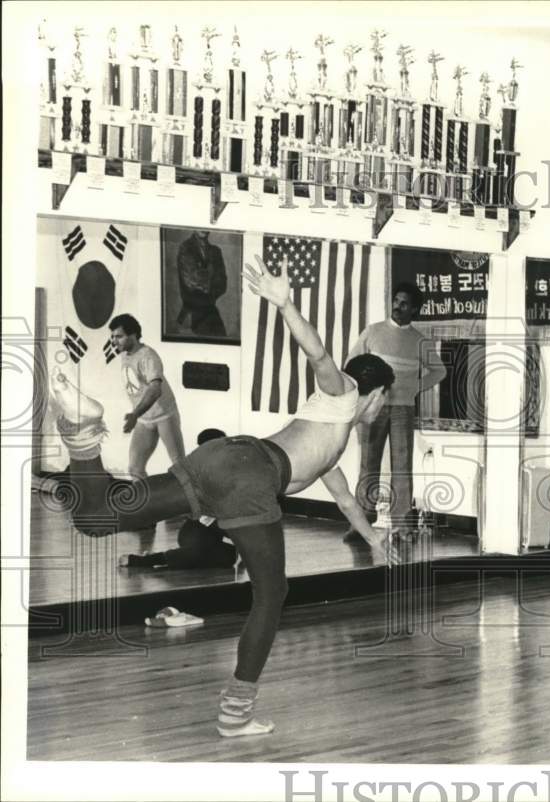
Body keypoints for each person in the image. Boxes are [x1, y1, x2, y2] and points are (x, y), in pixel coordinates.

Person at [49, 256, 397, 738]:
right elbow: (318, 356)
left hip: (223, 457)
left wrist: (374, 541)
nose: (381, 411)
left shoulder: (329, 440)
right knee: (272, 593)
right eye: (384, 401)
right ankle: (236, 712)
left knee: (95, 520)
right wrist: (286, 304)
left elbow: (343, 501)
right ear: (375, 393)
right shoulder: (344, 394)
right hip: (250, 473)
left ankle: (81, 432)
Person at [349, 282, 446, 536]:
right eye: (395, 301)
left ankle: (403, 526)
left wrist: (415, 387)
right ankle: (361, 524)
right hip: (373, 408)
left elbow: (439, 371)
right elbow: (350, 365)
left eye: (404, 304)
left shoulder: (419, 340)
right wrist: (365, 391)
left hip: (403, 409)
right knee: (368, 465)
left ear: (414, 309)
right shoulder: (372, 332)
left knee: (402, 466)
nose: (397, 306)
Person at [119, 428, 238, 571]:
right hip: (197, 529)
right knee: (198, 552)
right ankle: (147, 560)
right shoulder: (196, 472)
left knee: (228, 556)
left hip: (219, 530)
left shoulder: (233, 470)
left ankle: (175, 557)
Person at [109, 313, 185, 480]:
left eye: (119, 336)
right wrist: (138, 415)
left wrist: (135, 414)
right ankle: (144, 504)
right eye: (113, 337)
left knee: (180, 467)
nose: (114, 341)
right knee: (135, 468)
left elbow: (155, 389)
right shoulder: (125, 355)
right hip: (144, 419)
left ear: (133, 335)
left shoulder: (148, 356)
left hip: (164, 415)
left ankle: (192, 505)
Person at [176, 229, 228, 337]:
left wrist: (203, 279)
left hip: (210, 312)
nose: (203, 229)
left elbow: (222, 285)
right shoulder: (186, 248)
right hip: (190, 314)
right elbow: (191, 281)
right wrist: (211, 277)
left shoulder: (216, 251)